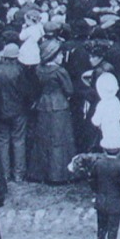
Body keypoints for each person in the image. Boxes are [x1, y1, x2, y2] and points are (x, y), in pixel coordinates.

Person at [28, 42, 77, 184]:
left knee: (43, 138)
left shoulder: (38, 69)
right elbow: (69, 90)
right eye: (60, 54)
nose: (62, 56)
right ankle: (58, 175)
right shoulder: (60, 71)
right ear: (53, 56)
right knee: (60, 138)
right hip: (59, 105)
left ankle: (39, 173)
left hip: (43, 104)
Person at [0, 42, 33, 183]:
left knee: (3, 141)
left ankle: (5, 174)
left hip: (0, 112)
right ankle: (19, 174)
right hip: (18, 111)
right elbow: (26, 92)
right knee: (19, 141)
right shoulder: (19, 71)